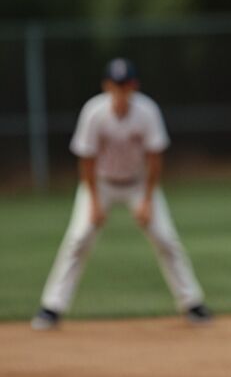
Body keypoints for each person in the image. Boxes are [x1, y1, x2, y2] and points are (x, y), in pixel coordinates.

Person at [31, 57, 212, 330]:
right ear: (107, 86)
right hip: (100, 184)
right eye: (116, 85)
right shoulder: (94, 112)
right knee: (78, 238)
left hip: (139, 184)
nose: (121, 90)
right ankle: (51, 307)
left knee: (165, 238)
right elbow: (87, 161)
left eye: (125, 84)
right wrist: (93, 202)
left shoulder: (147, 111)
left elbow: (154, 159)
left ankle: (193, 304)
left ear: (134, 85)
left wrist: (148, 201)